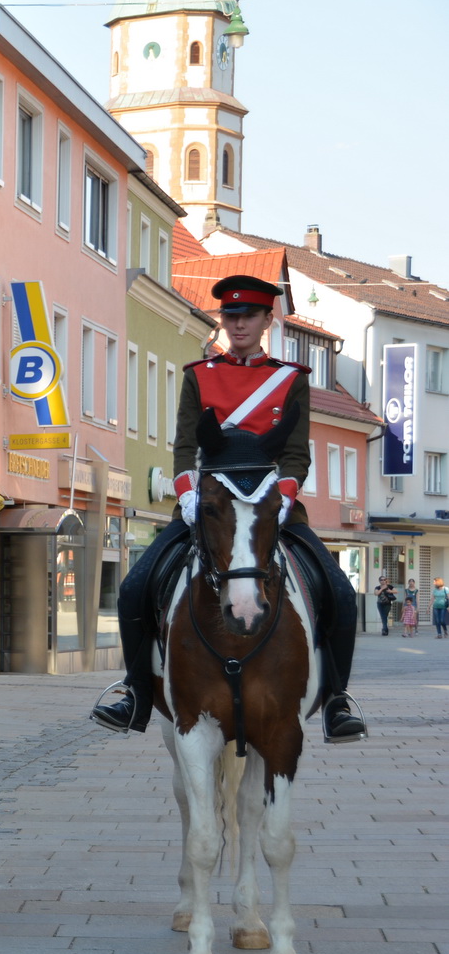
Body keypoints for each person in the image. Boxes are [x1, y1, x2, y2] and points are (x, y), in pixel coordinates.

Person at [92, 274, 365, 743]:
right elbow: (185, 446)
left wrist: (284, 497)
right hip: (211, 508)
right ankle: (135, 690)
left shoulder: (291, 379)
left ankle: (337, 699)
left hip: (271, 510)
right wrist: (187, 494)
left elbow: (296, 454)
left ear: (266, 321)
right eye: (230, 315)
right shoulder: (199, 376)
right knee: (134, 588)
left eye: (249, 316)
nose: (238, 324)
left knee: (339, 592)